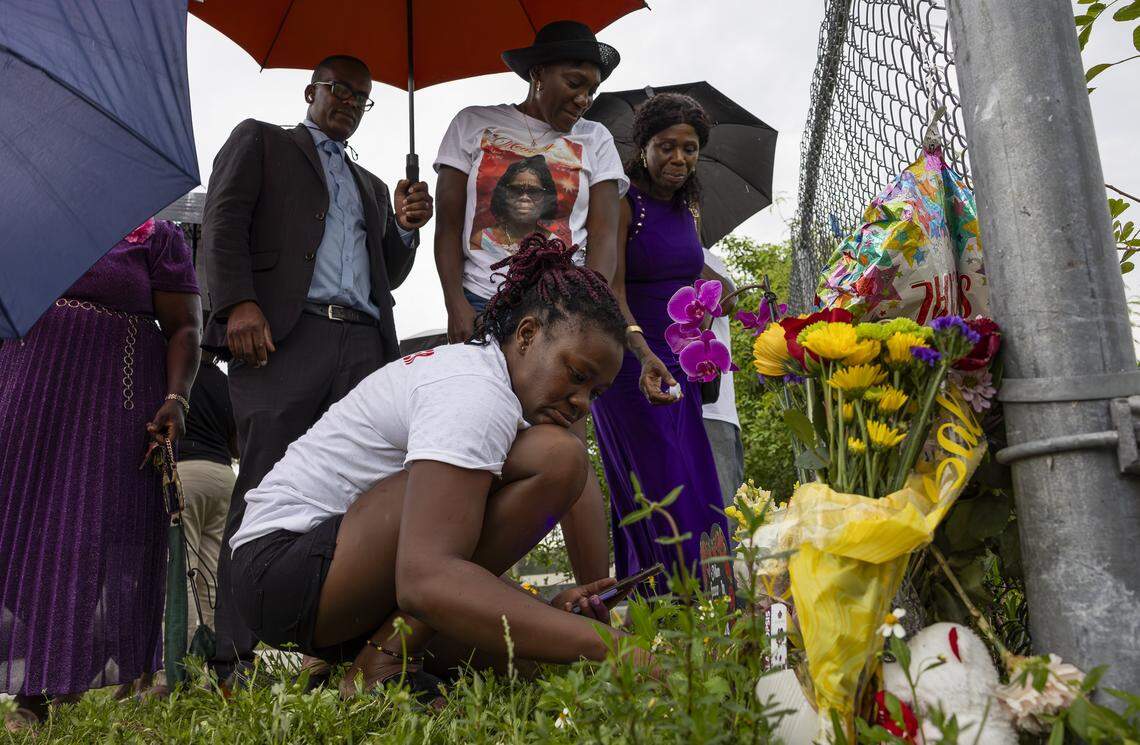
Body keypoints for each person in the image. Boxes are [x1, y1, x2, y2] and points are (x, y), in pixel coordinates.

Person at [227, 237, 642, 700]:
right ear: (526, 335)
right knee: (559, 457)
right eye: (577, 375)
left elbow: (457, 554)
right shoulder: (475, 390)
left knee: (530, 662)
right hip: (283, 567)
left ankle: (356, 655)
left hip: (342, 579)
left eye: (596, 394)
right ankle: (381, 661)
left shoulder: (494, 391)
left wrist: (552, 613)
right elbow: (426, 580)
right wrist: (612, 646)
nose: (582, 402)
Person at [200, 54, 433, 684]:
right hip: (282, 336)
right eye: (340, 91)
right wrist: (237, 304)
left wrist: (407, 229)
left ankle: (331, 646)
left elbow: (388, 273)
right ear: (311, 91)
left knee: (361, 485)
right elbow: (222, 223)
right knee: (266, 481)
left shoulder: (373, 187)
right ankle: (233, 654)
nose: (350, 104)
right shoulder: (262, 141)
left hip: (362, 344)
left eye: (362, 98)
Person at [433, 20, 627, 583]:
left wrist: (582, 319)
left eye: (591, 87)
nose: (583, 97)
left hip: (557, 317)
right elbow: (449, 231)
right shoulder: (473, 125)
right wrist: (455, 306)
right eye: (573, 81)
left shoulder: (597, 142)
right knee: (480, 444)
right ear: (537, 73)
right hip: (480, 305)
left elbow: (606, 242)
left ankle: (598, 598)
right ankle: (481, 589)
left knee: (565, 444)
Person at [0, 219, 201, 730]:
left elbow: (184, 326)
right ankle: (38, 678)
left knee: (86, 536)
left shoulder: (158, 237)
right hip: (24, 397)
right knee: (21, 533)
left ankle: (46, 686)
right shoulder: (24, 224)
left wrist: (176, 398)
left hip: (114, 404)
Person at [590, 93, 734, 595]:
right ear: (643, 147)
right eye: (666, 146)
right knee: (659, 482)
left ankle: (710, 601)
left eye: (690, 149)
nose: (678, 159)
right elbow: (612, 286)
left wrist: (719, 284)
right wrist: (642, 350)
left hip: (682, 360)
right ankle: (670, 601)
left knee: (693, 477)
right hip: (633, 364)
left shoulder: (686, 206)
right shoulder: (622, 202)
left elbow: (684, 263)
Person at [701, 248, 745, 506]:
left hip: (713, 412)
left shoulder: (706, 257)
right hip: (660, 404)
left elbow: (727, 299)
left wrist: (690, 253)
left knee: (723, 518)